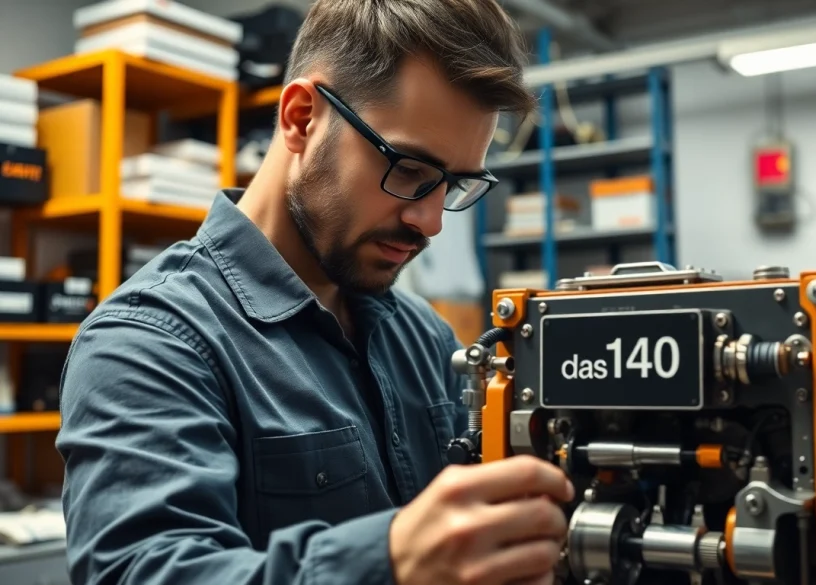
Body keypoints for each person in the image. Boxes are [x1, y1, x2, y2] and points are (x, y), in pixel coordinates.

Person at [55, 1, 575, 584]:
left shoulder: (423, 335)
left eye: (453, 185)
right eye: (408, 171)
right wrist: (390, 561)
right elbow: (145, 572)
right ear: (302, 118)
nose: (430, 221)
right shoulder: (148, 344)